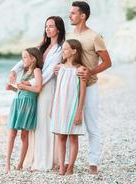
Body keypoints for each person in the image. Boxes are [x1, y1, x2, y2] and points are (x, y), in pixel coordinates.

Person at [55, 1, 112, 174]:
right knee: (67, 123)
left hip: (91, 86)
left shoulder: (94, 36)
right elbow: (66, 56)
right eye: (70, 12)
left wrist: (90, 72)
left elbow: (108, 62)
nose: (69, 16)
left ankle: (93, 162)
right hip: (71, 89)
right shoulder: (70, 35)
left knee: (91, 125)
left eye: (73, 13)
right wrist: (59, 66)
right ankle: (65, 164)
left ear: (83, 16)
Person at [9, 16, 65, 170]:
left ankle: (45, 161)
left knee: (44, 123)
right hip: (36, 87)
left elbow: (48, 73)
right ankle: (34, 158)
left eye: (51, 26)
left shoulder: (59, 49)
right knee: (36, 123)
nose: (47, 29)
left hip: (47, 87)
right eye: (46, 26)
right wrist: (14, 70)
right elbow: (27, 59)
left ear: (58, 29)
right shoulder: (42, 46)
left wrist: (29, 82)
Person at [51, 39, 86, 175]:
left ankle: (70, 166)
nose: (63, 51)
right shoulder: (60, 68)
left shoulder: (81, 70)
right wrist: (52, 108)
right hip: (60, 107)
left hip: (73, 107)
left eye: (65, 49)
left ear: (74, 51)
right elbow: (57, 89)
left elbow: (82, 93)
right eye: (63, 49)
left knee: (73, 137)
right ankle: (61, 166)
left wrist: (79, 112)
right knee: (61, 137)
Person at [5, 47, 43, 173]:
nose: (23, 60)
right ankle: (7, 164)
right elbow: (21, 89)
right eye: (22, 57)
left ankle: (20, 163)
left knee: (24, 135)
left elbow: (38, 89)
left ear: (33, 59)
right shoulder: (25, 72)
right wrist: (13, 89)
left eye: (25, 57)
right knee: (12, 134)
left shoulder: (37, 70)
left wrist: (22, 86)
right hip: (17, 103)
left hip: (27, 105)